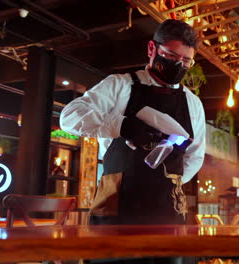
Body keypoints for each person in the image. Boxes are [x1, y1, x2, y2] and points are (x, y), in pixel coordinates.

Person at [60, 19, 206, 227]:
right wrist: (122, 125)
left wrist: (166, 185)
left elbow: (194, 157)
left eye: (186, 61)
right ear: (151, 48)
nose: (178, 64)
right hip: (115, 209)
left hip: (167, 212)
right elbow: (69, 117)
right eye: (171, 56)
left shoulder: (193, 103)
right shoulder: (119, 85)